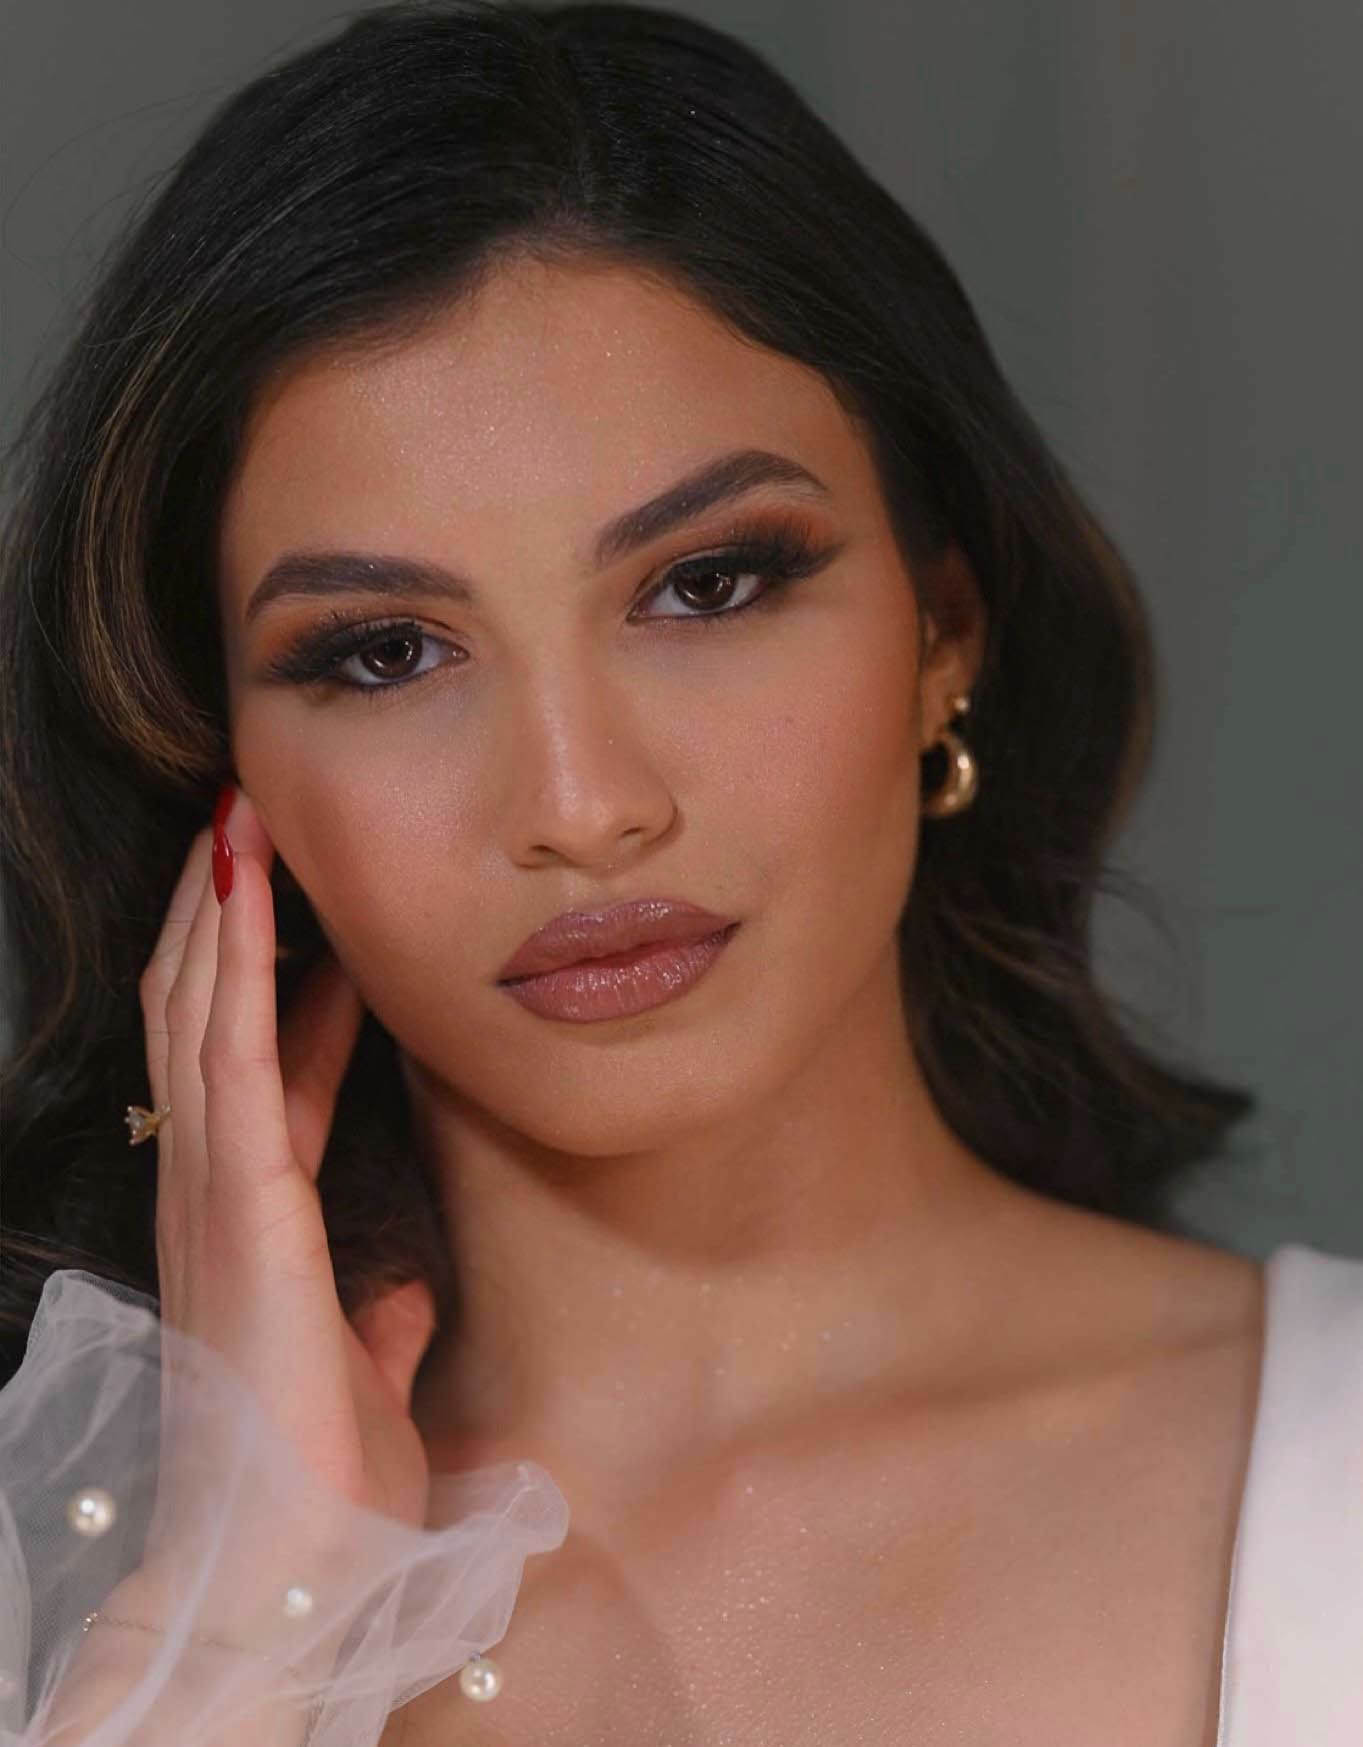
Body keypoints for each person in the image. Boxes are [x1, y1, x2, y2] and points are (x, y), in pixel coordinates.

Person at [0, 2, 1358, 1743]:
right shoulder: (81, 1587)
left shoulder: (1332, 1469)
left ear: (942, 632)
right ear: (220, 764)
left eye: (707, 585)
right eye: (387, 653)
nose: (582, 805)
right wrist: (233, 1629)